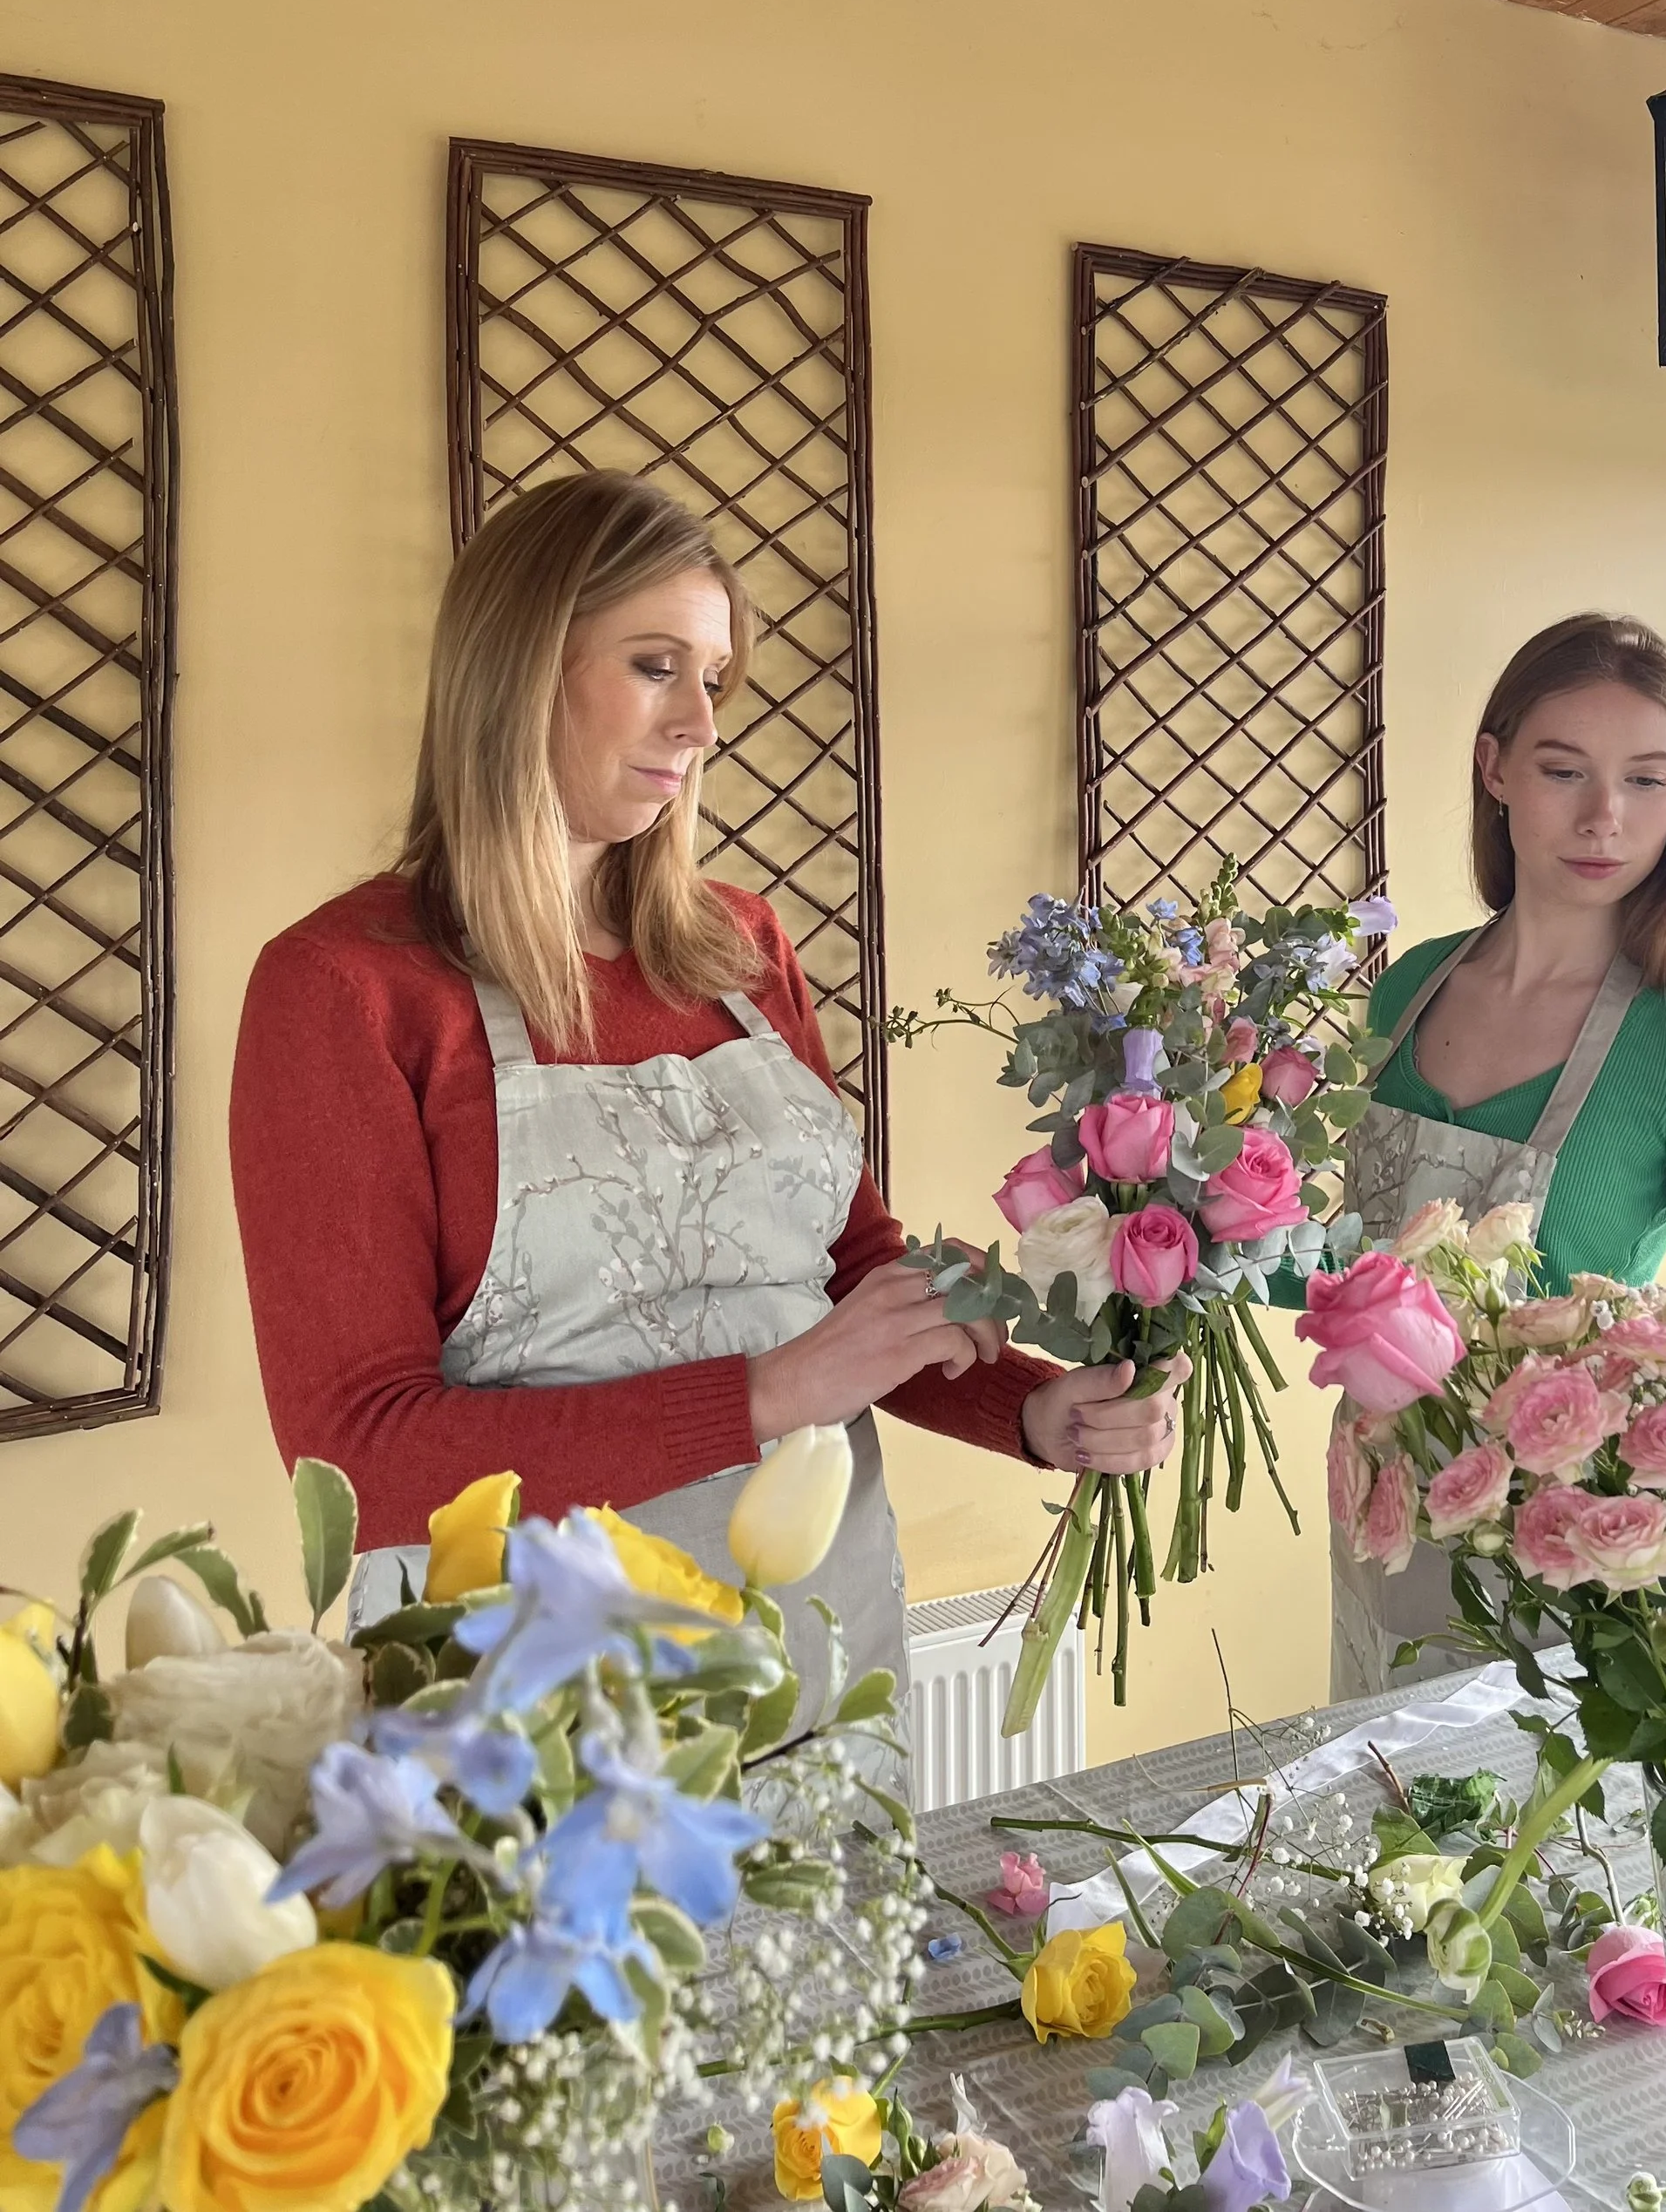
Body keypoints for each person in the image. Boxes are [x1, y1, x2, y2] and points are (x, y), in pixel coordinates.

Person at [232, 472, 1180, 1713]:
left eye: (714, 679)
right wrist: (767, 1395)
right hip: (526, 1687)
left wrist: (1034, 1410)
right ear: (518, 666)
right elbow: (355, 1451)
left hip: (815, 1645)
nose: (701, 724)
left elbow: (846, 1278)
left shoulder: (739, 948)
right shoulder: (344, 989)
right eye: (654, 666)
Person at [1329, 612, 1666, 1699]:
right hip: (1382, 1487)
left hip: (1570, 1530)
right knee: (1379, 1806)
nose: (1604, 819)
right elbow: (1349, 1262)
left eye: (1647, 780)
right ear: (1494, 769)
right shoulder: (1408, 991)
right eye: (1563, 770)